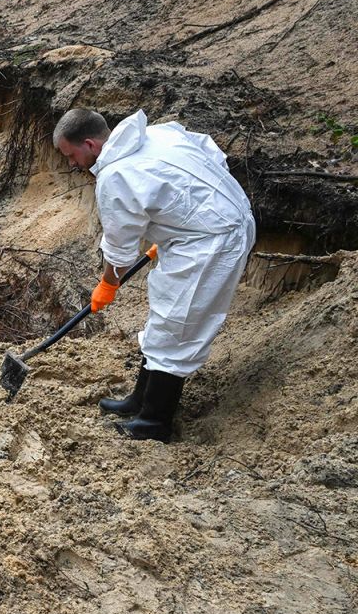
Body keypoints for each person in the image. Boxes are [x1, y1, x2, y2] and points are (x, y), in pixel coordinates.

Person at [53, 108, 255, 443]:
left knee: (177, 325)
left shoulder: (116, 175)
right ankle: (138, 401)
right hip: (207, 228)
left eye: (71, 155)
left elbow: (119, 249)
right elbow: (212, 157)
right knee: (163, 318)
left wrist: (107, 284)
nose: (71, 164)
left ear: (90, 144)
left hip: (212, 242)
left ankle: (154, 422)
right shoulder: (158, 133)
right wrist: (187, 217)